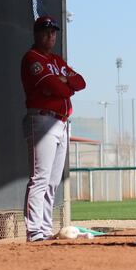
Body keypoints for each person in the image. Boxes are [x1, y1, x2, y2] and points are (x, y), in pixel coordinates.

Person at [21, 16, 86, 242]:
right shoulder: (32, 58)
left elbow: (80, 82)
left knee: (53, 181)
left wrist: (64, 81)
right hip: (42, 120)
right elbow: (59, 88)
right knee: (40, 178)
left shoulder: (57, 60)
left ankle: (45, 228)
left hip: (61, 122)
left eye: (54, 32)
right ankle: (34, 231)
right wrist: (63, 83)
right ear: (36, 34)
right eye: (46, 31)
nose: (51, 36)